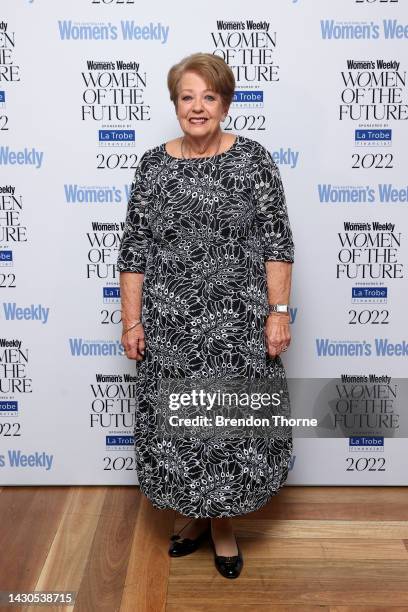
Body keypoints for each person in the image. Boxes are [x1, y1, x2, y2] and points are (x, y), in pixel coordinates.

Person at [117, 52, 294, 580]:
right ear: (175, 105)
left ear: (225, 103)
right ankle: (192, 515)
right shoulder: (153, 164)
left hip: (238, 324)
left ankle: (222, 525)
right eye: (187, 97)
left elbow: (277, 241)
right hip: (171, 326)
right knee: (180, 426)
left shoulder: (254, 159)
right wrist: (132, 321)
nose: (197, 108)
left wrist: (277, 313)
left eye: (208, 97)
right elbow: (134, 249)